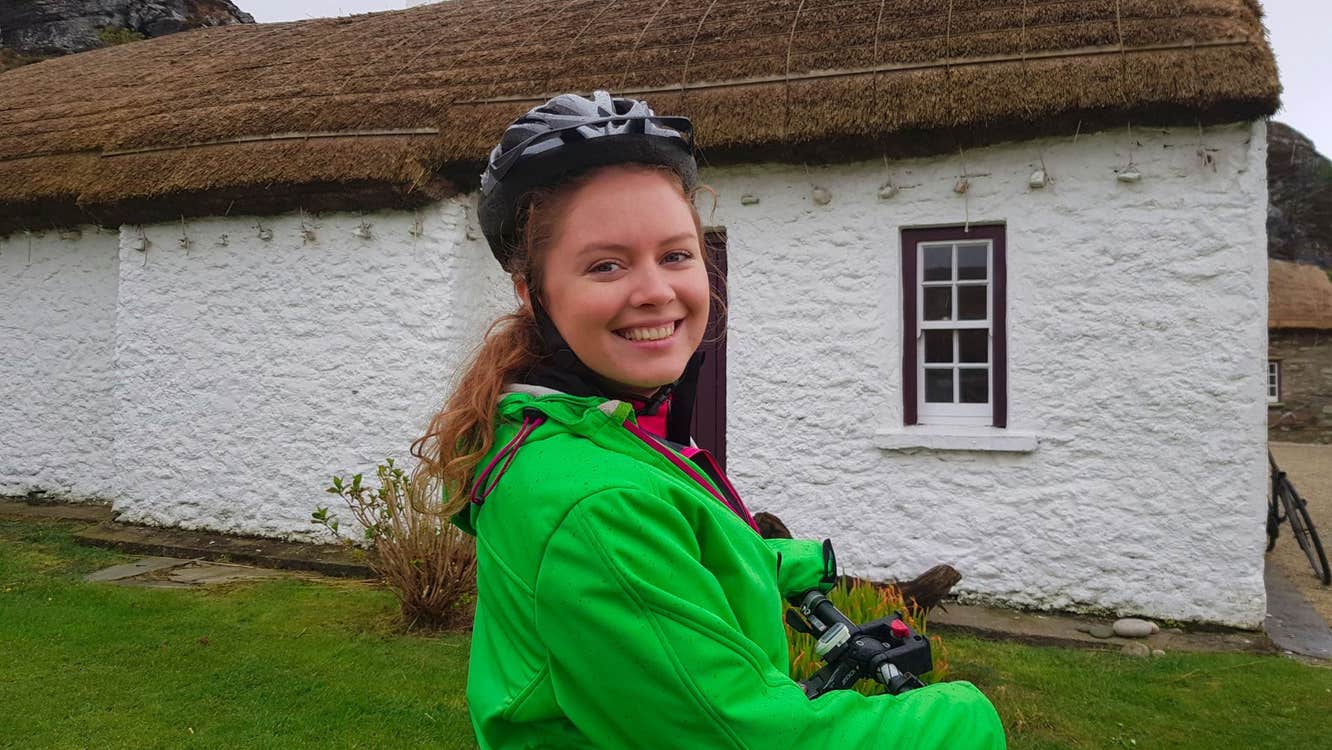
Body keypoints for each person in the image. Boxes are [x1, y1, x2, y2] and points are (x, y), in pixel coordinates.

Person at [412, 91, 1006, 749]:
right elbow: (746, 735)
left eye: (674, 255)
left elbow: (667, 553)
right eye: (606, 264)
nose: (656, 291)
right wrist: (967, 720)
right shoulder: (594, 508)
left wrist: (781, 561)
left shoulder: (574, 430)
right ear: (533, 290)